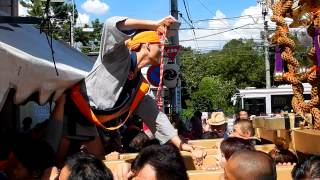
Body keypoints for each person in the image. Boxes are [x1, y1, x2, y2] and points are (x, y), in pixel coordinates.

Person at [52, 15, 205, 163]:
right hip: (71, 111)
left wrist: (181, 144)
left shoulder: (139, 84)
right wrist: (154, 24)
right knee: (54, 164)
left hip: (91, 122)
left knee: (100, 165)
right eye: (161, 45)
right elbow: (111, 24)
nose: (163, 51)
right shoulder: (117, 55)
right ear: (147, 45)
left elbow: (156, 117)